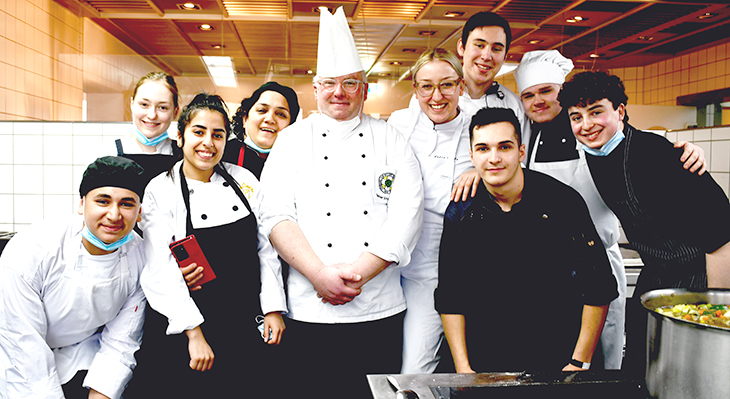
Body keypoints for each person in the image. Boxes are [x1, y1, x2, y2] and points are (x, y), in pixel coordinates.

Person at [258, 7, 423, 398]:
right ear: (315, 89)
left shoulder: (391, 140)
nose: (339, 93)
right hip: (307, 309)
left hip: (377, 307)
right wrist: (319, 275)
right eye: (330, 83)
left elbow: (407, 215)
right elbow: (276, 215)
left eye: (350, 83)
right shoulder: (292, 140)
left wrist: (357, 275)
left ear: (364, 89)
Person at [513, 50, 708, 370]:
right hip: (549, 270)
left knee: (606, 358)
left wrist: (684, 151)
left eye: (546, 91)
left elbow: (634, 145)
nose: (538, 101)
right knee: (556, 356)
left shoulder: (593, 137)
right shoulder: (528, 140)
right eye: (529, 95)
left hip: (599, 264)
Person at [560, 70, 730, 374]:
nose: (586, 125)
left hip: (696, 279)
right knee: (643, 366)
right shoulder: (594, 155)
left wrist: (716, 309)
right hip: (657, 275)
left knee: (687, 373)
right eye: (576, 117)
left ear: (620, 111)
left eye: (596, 112)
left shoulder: (653, 152)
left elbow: (721, 226)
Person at [125, 93, 287, 396]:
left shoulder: (244, 180)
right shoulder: (162, 189)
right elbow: (159, 267)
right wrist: (193, 333)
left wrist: (273, 309)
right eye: (199, 132)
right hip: (189, 321)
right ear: (180, 135)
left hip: (243, 319)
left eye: (218, 134)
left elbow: (265, 249)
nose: (208, 143)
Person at [436, 107, 618, 373]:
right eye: (484, 149)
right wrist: (464, 369)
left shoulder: (562, 202)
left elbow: (598, 285)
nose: (494, 158)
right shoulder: (461, 213)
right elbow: (451, 296)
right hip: (487, 363)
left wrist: (579, 361)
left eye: (505, 147)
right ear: (472, 156)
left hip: (557, 359)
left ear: (521, 152)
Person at [0, 156, 147, 399]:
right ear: (82, 204)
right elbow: (22, 342)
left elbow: (122, 340)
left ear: (139, 212)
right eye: (103, 201)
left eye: (126, 204)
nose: (113, 215)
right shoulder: (33, 248)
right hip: (16, 355)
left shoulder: (141, 256)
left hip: (81, 353)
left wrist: (102, 394)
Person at [387, 48, 471, 374]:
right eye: (426, 86)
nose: (437, 96)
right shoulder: (398, 123)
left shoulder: (476, 132)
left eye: (447, 85)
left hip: (435, 269)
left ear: (461, 86)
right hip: (387, 263)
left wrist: (482, 170)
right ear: (415, 89)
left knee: (415, 367)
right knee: (381, 355)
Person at [456, 12, 529, 143]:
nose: (486, 56)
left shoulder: (514, 106)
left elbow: (521, 160)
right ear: (462, 47)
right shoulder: (436, 98)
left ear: (505, 57)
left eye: (496, 49)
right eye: (479, 45)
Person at [113, 71, 182, 186]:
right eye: (144, 105)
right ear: (131, 104)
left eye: (162, 107)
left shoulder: (184, 156)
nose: (152, 115)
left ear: (175, 111)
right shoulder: (108, 152)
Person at [222, 81, 301, 179]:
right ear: (245, 119)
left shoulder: (299, 166)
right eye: (262, 110)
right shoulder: (222, 155)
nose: (270, 119)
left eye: (281, 114)